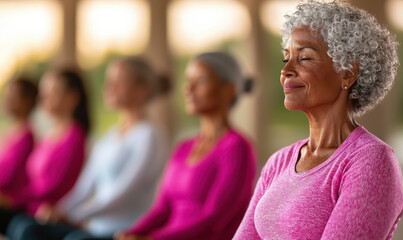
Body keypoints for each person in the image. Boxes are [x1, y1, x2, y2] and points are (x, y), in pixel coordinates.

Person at [233, 1, 403, 240]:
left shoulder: (371, 161)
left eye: (304, 58)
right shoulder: (279, 162)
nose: (286, 71)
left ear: (347, 73)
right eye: (287, 59)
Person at [101, 51, 257, 240]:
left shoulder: (238, 148)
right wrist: (132, 232)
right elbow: (162, 209)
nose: (188, 88)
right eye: (187, 80)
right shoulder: (183, 147)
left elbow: (214, 220)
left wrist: (152, 239)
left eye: (200, 81)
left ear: (228, 89)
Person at [7, 57, 168, 240]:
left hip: (124, 230)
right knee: (24, 227)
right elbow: (84, 188)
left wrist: (77, 215)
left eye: (119, 82)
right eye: (109, 81)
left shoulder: (149, 135)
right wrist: (60, 210)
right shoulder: (109, 136)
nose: (109, 87)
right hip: (96, 227)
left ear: (142, 89)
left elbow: (124, 192)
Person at [0, 67, 90, 234]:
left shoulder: (74, 137)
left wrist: (13, 199)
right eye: (44, 91)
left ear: (72, 97)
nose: (44, 97)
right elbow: (30, 181)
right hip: (31, 208)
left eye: (52, 91)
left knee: (22, 228)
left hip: (49, 214)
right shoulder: (49, 136)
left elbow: (51, 188)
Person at [0, 77, 37, 233]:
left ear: (27, 101)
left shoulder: (27, 137)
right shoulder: (10, 133)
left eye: (14, 96)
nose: (8, 100)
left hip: (13, 205)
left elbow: (7, 176)